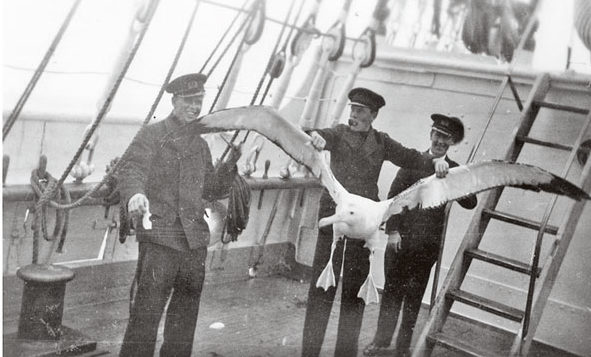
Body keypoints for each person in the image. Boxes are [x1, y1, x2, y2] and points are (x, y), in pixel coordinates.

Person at [301, 88, 450, 357]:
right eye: (352, 109)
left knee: (354, 295)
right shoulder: (338, 133)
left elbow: (413, 158)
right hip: (334, 222)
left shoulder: (382, 142)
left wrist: (438, 161)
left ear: (373, 115)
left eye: (360, 111)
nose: (353, 115)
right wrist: (316, 136)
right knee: (321, 290)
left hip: (363, 227)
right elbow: (318, 133)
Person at [118, 73, 240, 357]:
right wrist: (136, 194)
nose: (195, 107)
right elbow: (131, 169)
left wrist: (231, 164)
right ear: (174, 101)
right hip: (161, 238)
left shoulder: (201, 145)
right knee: (145, 317)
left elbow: (210, 188)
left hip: (194, 243)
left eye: (199, 101)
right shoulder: (152, 135)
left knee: (184, 321)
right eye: (189, 101)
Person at [363, 114, 478, 357]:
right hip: (400, 242)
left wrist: (455, 181)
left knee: (414, 298)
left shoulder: (454, 170)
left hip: (426, 247)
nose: (439, 141)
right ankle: (381, 343)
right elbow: (394, 198)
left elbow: (471, 203)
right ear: (430, 135)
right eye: (436, 134)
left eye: (445, 137)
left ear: (452, 142)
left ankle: (403, 349)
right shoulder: (413, 162)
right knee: (392, 294)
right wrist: (392, 232)